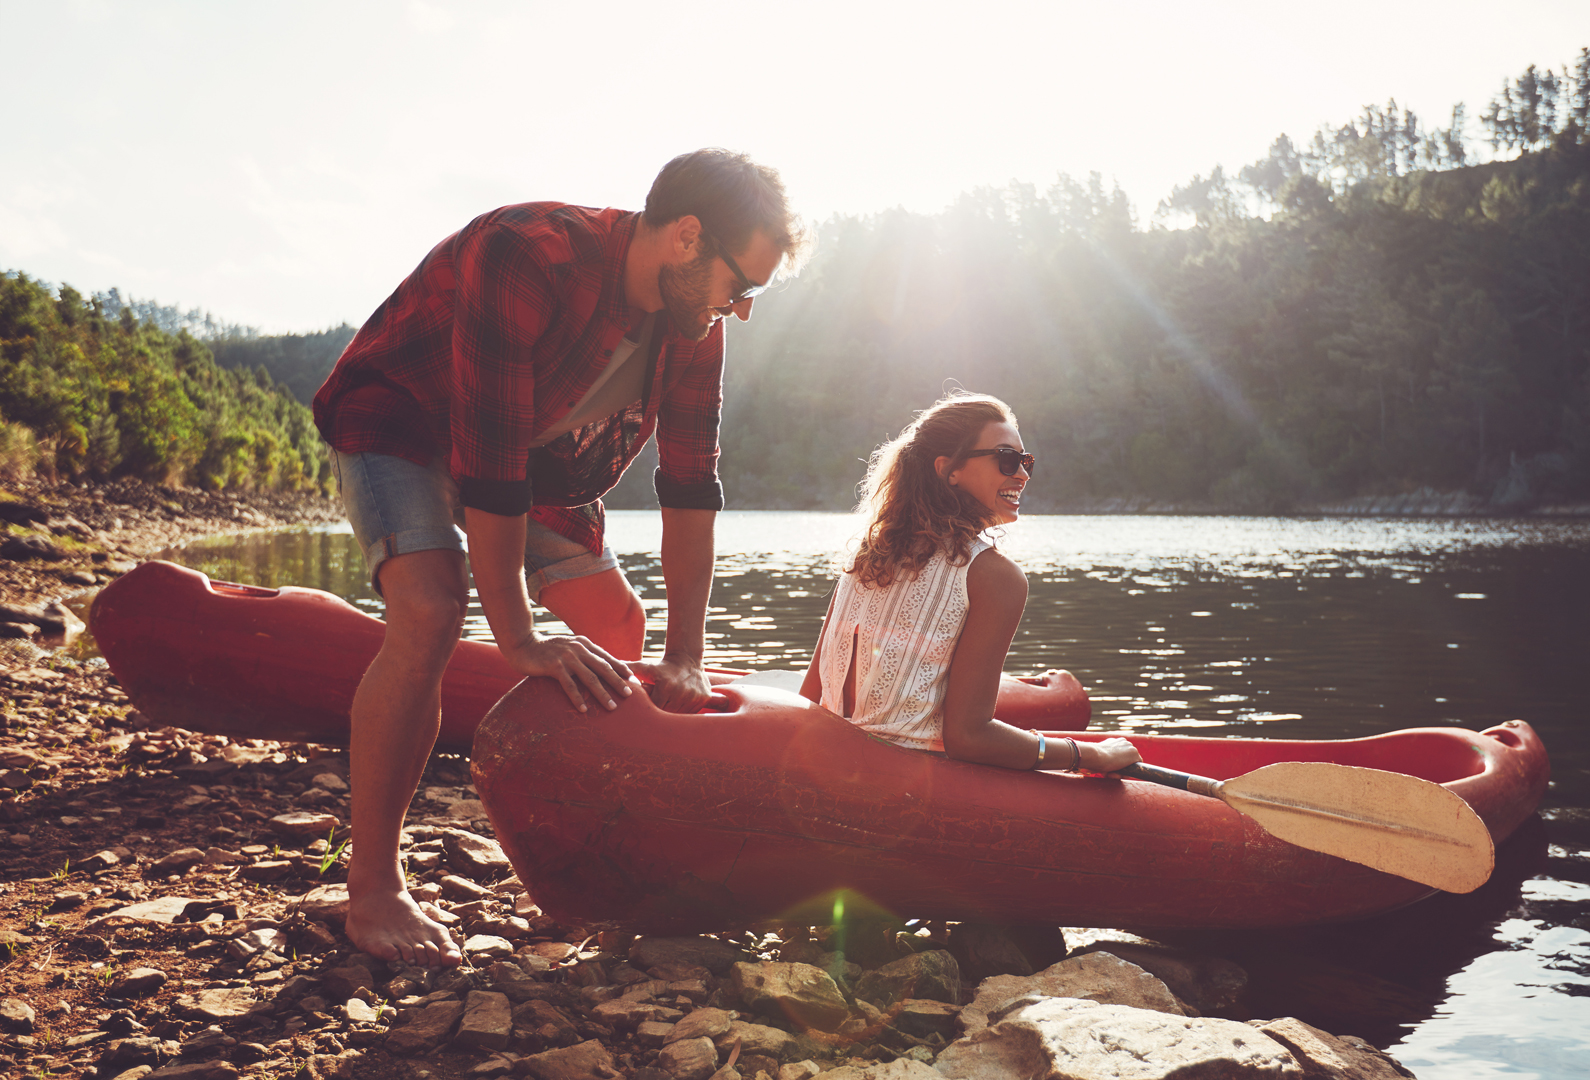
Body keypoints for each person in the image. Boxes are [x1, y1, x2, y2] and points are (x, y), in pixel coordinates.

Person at [310, 149, 805, 967]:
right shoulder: (529, 253)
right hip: (401, 420)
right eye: (740, 286)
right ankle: (374, 888)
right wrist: (520, 639)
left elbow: (690, 489)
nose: (741, 310)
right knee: (433, 611)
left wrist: (686, 654)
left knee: (619, 623)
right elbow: (487, 463)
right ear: (687, 237)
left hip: (537, 455)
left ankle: (593, 849)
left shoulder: (695, 329)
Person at [799, 392, 1140, 773]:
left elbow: (810, 699)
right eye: (1007, 459)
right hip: (906, 786)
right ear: (949, 470)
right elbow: (969, 738)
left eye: (1025, 461)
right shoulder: (995, 578)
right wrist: (1088, 754)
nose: (1023, 474)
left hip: (827, 762)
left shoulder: (868, 555)